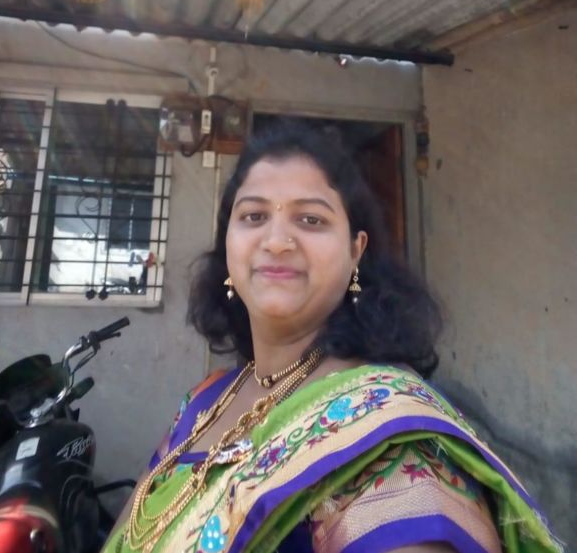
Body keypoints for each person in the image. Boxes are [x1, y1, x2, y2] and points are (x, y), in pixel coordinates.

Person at [105, 119, 561, 553]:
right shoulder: (205, 402)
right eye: (253, 216)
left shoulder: (384, 434)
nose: (276, 240)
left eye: (311, 220)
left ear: (356, 251)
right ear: (228, 243)